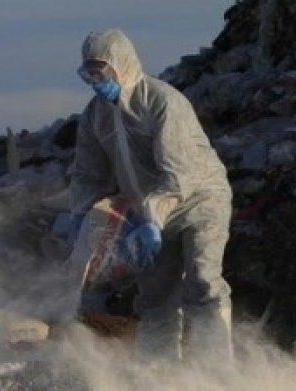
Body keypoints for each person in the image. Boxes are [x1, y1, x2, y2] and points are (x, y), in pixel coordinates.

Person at [66, 28, 233, 362]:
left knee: (202, 280)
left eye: (102, 71)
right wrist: (80, 216)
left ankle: (216, 371)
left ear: (123, 65)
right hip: (149, 213)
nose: (97, 80)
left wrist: (154, 216)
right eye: (90, 73)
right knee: (155, 295)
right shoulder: (95, 115)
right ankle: (159, 375)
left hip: (200, 200)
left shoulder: (162, 102)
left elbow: (177, 173)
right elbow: (89, 173)